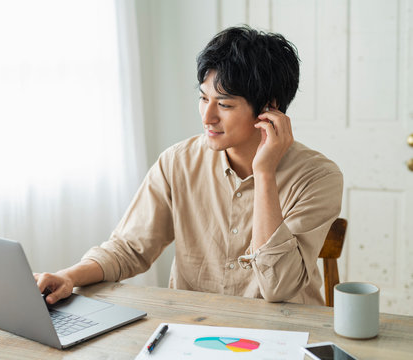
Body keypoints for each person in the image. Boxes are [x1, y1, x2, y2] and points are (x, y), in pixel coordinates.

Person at [34, 26, 343, 306]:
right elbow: (130, 248)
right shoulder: (178, 162)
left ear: (269, 109)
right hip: (194, 333)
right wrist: (70, 276)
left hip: (283, 338)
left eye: (224, 104)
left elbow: (279, 288)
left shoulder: (318, 177)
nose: (207, 116)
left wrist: (264, 173)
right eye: (203, 98)